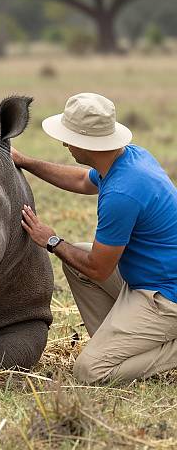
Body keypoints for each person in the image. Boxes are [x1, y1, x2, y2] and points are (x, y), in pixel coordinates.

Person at [12, 92, 177, 384]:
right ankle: (120, 346)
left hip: (164, 299)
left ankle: (136, 353)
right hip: (146, 282)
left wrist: (51, 240)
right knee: (76, 260)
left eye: (68, 136)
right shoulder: (130, 157)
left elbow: (99, 268)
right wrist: (26, 162)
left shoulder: (122, 194)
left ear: (87, 142)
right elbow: (79, 180)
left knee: (90, 372)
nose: (64, 143)